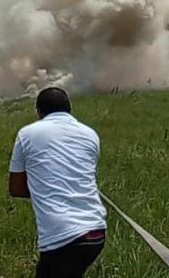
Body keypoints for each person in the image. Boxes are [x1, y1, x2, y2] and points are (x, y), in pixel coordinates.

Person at [9, 86, 107, 278]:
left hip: (62, 236)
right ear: (70, 108)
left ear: (38, 111)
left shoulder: (27, 134)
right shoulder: (91, 134)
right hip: (96, 232)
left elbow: (16, 189)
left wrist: (43, 188)